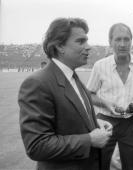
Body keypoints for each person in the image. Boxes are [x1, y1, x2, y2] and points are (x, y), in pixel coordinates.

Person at [18, 17, 112, 170]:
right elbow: (37, 145)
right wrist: (89, 139)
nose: (89, 47)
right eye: (80, 42)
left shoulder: (73, 77)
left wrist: (95, 123)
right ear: (60, 46)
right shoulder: (37, 83)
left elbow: (71, 118)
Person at [87, 23, 133, 170]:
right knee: (100, 164)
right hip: (105, 121)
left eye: (126, 39)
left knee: (130, 165)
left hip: (132, 122)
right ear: (110, 42)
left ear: (132, 40)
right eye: (118, 39)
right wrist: (106, 103)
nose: (122, 44)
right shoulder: (100, 65)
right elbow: (89, 94)